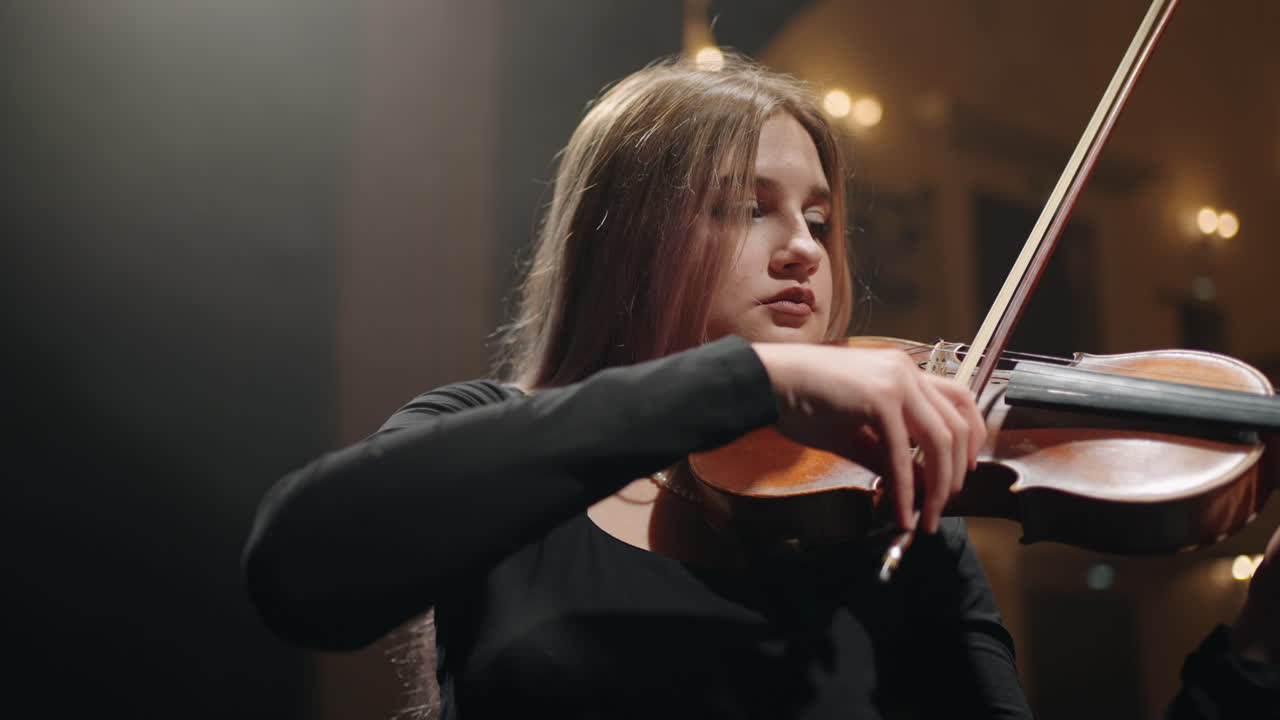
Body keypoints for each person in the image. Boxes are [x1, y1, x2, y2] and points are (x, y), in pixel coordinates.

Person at [243, 55, 1278, 719]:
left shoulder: (890, 521)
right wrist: (743, 380)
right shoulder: (497, 444)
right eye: (745, 209)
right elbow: (302, 569)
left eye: (819, 221)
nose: (801, 251)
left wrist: (1251, 664)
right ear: (627, 239)